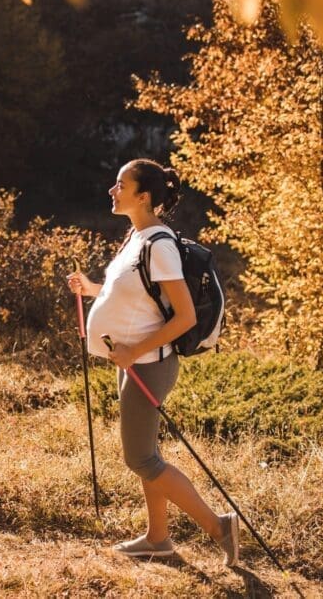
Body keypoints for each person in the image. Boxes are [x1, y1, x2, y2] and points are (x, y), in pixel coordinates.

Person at [67, 158, 239, 565]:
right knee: (148, 455)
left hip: (150, 364)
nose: (113, 190)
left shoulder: (159, 245)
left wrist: (131, 351)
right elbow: (129, 297)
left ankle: (219, 527)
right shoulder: (135, 238)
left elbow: (185, 317)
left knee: (141, 458)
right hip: (133, 363)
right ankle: (158, 538)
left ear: (143, 196)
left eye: (120, 184)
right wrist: (90, 288)